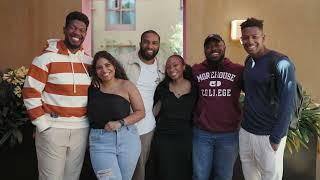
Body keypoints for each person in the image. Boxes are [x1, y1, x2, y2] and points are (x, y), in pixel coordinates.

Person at [22, 11, 91, 180]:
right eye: (73, 28)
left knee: (72, 177)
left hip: (80, 129)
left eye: (82, 30)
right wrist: (43, 125)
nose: (77, 33)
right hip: (53, 127)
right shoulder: (45, 58)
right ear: (65, 29)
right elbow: (30, 92)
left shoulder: (89, 62)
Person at [239, 17, 296, 180]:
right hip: (246, 132)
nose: (249, 41)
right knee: (250, 176)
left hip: (268, 136)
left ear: (263, 37)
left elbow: (288, 103)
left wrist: (276, 137)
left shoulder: (281, 63)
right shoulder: (249, 61)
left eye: (254, 36)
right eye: (245, 37)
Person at [192, 34, 244, 180]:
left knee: (224, 176)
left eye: (217, 45)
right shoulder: (196, 70)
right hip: (202, 134)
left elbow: (256, 91)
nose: (213, 48)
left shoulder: (238, 70)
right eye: (208, 46)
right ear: (204, 50)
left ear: (224, 47)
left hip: (228, 135)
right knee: (199, 175)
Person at [87, 51, 145, 180]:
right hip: (101, 142)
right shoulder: (91, 87)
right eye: (99, 67)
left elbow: (141, 112)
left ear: (114, 65)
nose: (104, 70)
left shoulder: (126, 85)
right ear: (95, 71)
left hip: (128, 140)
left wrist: (120, 122)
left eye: (108, 65)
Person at [118, 30, 166, 180]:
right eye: (146, 41)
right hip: (122, 126)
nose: (150, 46)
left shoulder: (163, 68)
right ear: (140, 43)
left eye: (154, 43)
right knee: (119, 170)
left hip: (146, 128)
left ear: (159, 45)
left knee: (139, 172)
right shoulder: (122, 61)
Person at [152, 55, 197, 180]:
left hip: (186, 137)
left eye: (175, 65)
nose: (171, 69)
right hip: (164, 137)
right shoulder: (162, 88)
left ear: (183, 67)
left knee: (185, 171)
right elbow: (154, 111)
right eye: (168, 67)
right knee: (165, 172)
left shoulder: (195, 87)